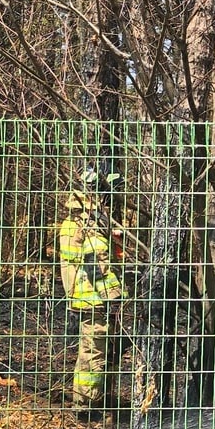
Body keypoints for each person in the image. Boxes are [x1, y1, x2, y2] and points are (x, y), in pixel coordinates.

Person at [59, 172, 124, 410]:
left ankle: (88, 400)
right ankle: (87, 405)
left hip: (82, 297)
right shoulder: (89, 223)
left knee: (90, 351)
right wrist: (115, 296)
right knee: (95, 354)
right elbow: (98, 263)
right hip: (95, 299)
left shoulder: (72, 222)